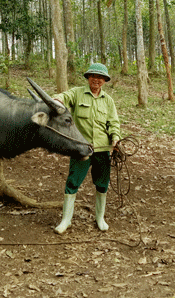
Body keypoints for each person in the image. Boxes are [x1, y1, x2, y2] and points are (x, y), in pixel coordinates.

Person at [53, 63, 121, 234]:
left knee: (102, 183)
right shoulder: (77, 93)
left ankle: (100, 218)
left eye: (100, 77)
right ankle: (66, 220)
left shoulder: (108, 101)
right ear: (88, 78)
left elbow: (113, 123)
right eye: (93, 76)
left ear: (104, 81)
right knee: (73, 182)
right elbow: (64, 97)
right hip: (81, 149)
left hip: (102, 149)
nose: (96, 80)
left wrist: (115, 137)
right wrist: (57, 100)